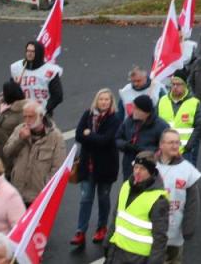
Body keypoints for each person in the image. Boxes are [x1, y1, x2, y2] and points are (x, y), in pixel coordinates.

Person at [72, 88, 121, 247]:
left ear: (111, 101)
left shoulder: (114, 118)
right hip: (88, 165)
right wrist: (90, 136)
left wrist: (89, 135)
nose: (104, 102)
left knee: (103, 198)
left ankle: (102, 228)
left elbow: (106, 140)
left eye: (107, 99)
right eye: (101, 99)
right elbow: (79, 135)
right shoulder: (88, 114)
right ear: (96, 100)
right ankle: (80, 231)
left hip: (106, 167)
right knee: (85, 199)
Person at [104, 151, 169, 264]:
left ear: (151, 171)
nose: (137, 172)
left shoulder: (159, 200)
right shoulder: (125, 186)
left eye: (143, 169)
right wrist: (107, 242)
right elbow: (116, 217)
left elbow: (160, 238)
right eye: (136, 167)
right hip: (116, 251)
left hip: (138, 258)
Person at [2, 100, 66, 206]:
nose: (27, 120)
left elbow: (58, 168)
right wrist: (20, 139)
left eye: (30, 116)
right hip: (18, 192)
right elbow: (7, 152)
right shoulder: (19, 130)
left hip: (39, 195)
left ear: (41, 116)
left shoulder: (56, 137)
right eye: (25, 116)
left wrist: (46, 187)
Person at [155, 130, 200, 262]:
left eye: (177, 142)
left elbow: (193, 203)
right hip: (151, 231)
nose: (175, 146)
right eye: (171, 143)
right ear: (161, 145)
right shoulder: (149, 165)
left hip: (174, 232)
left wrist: (189, 228)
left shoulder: (187, 170)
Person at [115, 95, 170, 178]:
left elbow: (166, 147)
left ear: (145, 111)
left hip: (149, 168)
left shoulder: (160, 125)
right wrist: (125, 145)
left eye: (135, 108)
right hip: (129, 167)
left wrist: (145, 151)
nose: (132, 111)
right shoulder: (129, 121)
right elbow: (117, 138)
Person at [9, 41, 62, 117]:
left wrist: (44, 110)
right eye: (28, 51)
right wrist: (14, 86)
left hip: (42, 115)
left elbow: (58, 96)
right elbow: (11, 93)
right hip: (22, 114)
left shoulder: (50, 71)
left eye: (33, 51)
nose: (29, 53)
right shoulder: (17, 68)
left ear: (39, 53)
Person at [157, 76, 201, 164]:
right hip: (164, 151)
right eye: (173, 84)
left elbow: (199, 127)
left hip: (184, 152)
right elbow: (155, 123)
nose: (175, 87)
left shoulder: (194, 102)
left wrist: (189, 146)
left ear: (185, 86)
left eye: (178, 84)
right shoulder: (162, 100)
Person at [0, 81, 26, 178]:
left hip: (10, 162)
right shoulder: (5, 110)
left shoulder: (22, 113)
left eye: (4, 92)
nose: (1, 94)